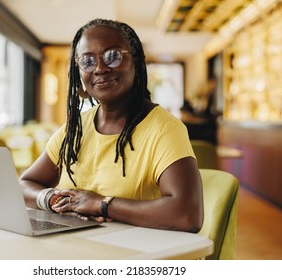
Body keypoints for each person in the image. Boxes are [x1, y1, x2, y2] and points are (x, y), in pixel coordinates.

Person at [19, 18, 203, 232]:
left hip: (136, 254)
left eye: (112, 56)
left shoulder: (164, 129)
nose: (100, 68)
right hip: (76, 248)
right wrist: (50, 198)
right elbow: (24, 184)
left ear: (135, 61)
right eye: (87, 61)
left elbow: (187, 214)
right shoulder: (75, 128)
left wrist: (101, 204)